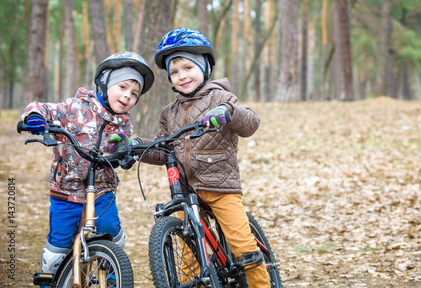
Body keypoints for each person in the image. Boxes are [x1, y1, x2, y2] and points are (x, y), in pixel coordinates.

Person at [118, 27, 269, 287]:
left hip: (221, 188)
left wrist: (229, 112)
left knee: (244, 248)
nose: (181, 76)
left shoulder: (221, 97)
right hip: (186, 193)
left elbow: (251, 123)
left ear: (204, 67)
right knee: (187, 257)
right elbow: (162, 148)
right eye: (174, 72)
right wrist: (133, 146)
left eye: (188, 68)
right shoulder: (169, 112)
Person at [21, 51, 154, 280]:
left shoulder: (124, 125)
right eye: (122, 87)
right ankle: (51, 278)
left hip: (102, 187)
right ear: (105, 82)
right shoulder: (75, 107)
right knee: (60, 244)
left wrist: (126, 152)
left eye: (134, 93)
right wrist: (35, 117)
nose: (127, 96)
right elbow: (43, 107)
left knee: (110, 229)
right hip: (67, 189)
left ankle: (113, 270)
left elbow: (123, 153)